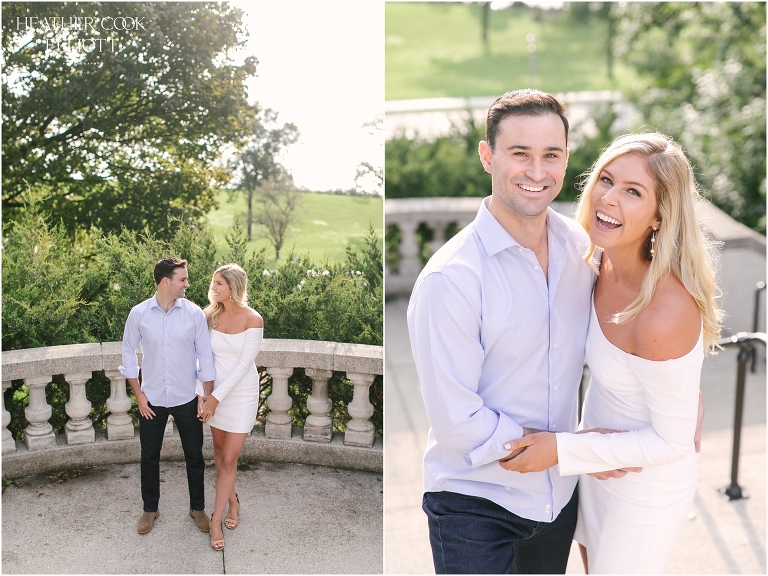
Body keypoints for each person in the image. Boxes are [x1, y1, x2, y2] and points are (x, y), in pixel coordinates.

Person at [407, 90, 704, 574]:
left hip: (560, 498)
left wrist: (684, 386)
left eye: (552, 155)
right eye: (519, 153)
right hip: (476, 501)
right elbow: (456, 420)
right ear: (488, 156)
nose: (537, 171)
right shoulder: (452, 280)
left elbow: (662, 323)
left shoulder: (583, 253)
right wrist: (569, 450)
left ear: (567, 160)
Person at [502, 132, 722, 573]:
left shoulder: (663, 311)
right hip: (596, 465)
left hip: (643, 486)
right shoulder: (596, 263)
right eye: (606, 180)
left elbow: (672, 442)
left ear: (660, 217)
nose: (609, 198)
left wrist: (564, 450)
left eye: (633, 192)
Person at [119, 257, 216, 535]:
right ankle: (151, 509)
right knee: (149, 456)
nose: (187, 284)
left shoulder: (194, 314)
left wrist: (205, 397)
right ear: (166, 282)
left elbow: (205, 360)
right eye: (182, 279)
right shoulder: (138, 314)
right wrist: (139, 396)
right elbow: (128, 356)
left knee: (194, 455)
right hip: (152, 399)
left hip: (187, 397)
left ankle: (197, 508)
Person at [197, 263, 263, 551]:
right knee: (220, 454)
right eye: (213, 283)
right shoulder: (207, 315)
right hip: (213, 395)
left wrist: (215, 398)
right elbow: (200, 358)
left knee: (229, 460)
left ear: (233, 287)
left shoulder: (253, 319)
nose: (213, 288)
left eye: (219, 284)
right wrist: (203, 394)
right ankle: (233, 500)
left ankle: (216, 519)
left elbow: (242, 366)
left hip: (241, 395)